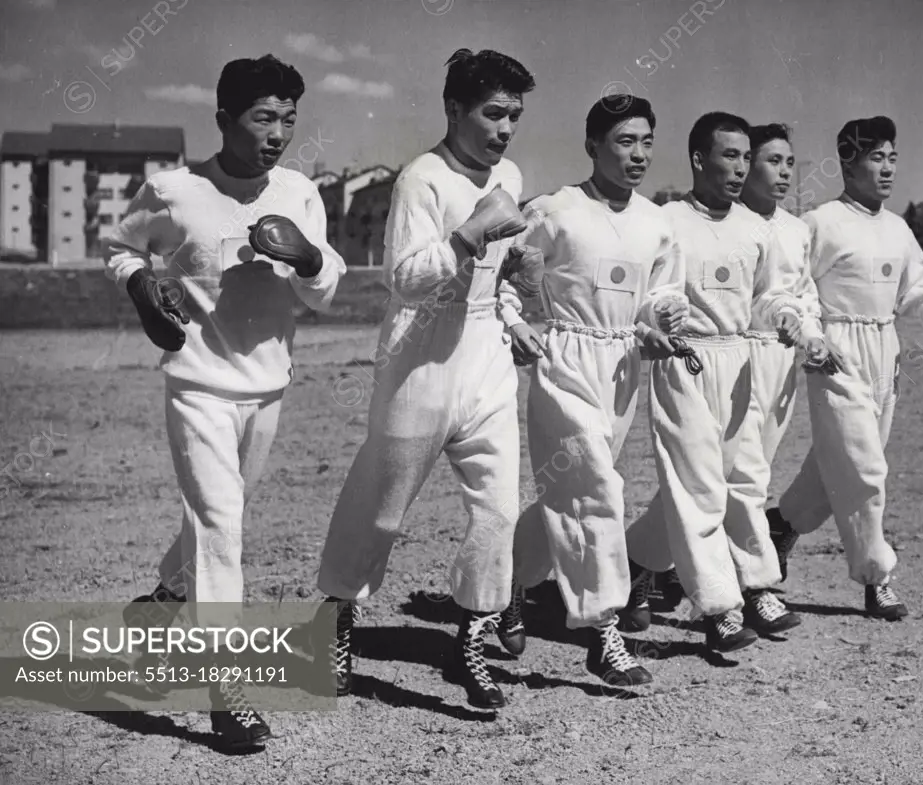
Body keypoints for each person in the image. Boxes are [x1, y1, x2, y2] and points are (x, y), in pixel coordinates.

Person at [106, 54, 345, 749]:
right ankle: (224, 687)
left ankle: (161, 605)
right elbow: (119, 246)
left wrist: (307, 258)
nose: (278, 132)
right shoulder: (174, 190)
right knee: (221, 527)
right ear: (224, 121)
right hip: (197, 383)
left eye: (289, 119)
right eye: (263, 117)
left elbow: (325, 289)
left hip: (268, 386)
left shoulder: (300, 191)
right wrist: (141, 286)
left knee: (220, 518)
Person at [315, 49, 540, 710]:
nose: (505, 129)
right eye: (493, 113)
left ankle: (471, 633)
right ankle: (335, 614)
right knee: (382, 511)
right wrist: (468, 233)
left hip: (486, 358)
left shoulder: (511, 172)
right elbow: (404, 279)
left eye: (515, 116)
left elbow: (496, 276)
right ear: (454, 109)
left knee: (497, 509)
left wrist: (513, 309)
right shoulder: (423, 177)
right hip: (419, 354)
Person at [494, 95, 687, 688]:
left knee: (570, 491)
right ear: (593, 145)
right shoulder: (555, 210)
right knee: (598, 487)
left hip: (623, 365)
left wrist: (661, 322)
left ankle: (508, 582)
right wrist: (516, 322)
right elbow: (506, 274)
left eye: (647, 141)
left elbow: (663, 293)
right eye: (626, 141)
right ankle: (604, 633)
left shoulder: (658, 221)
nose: (639, 154)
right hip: (564, 358)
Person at [622, 112, 830, 652]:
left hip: (741, 363)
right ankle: (722, 606)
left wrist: (787, 316)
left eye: (745, 156)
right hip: (685, 361)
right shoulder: (667, 219)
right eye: (728, 156)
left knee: (742, 483)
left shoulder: (754, 227)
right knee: (698, 490)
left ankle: (643, 565)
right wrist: (664, 311)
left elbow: (769, 294)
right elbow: (654, 289)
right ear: (698, 159)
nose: (740, 168)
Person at [768, 116, 923, 620]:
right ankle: (877, 578)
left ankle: (781, 523)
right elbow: (793, 288)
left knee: (846, 460)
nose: (887, 168)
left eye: (893, 157)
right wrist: (811, 338)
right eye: (876, 157)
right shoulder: (821, 222)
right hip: (836, 353)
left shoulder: (897, 227)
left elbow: (915, 286)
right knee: (864, 467)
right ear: (847, 164)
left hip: (884, 349)